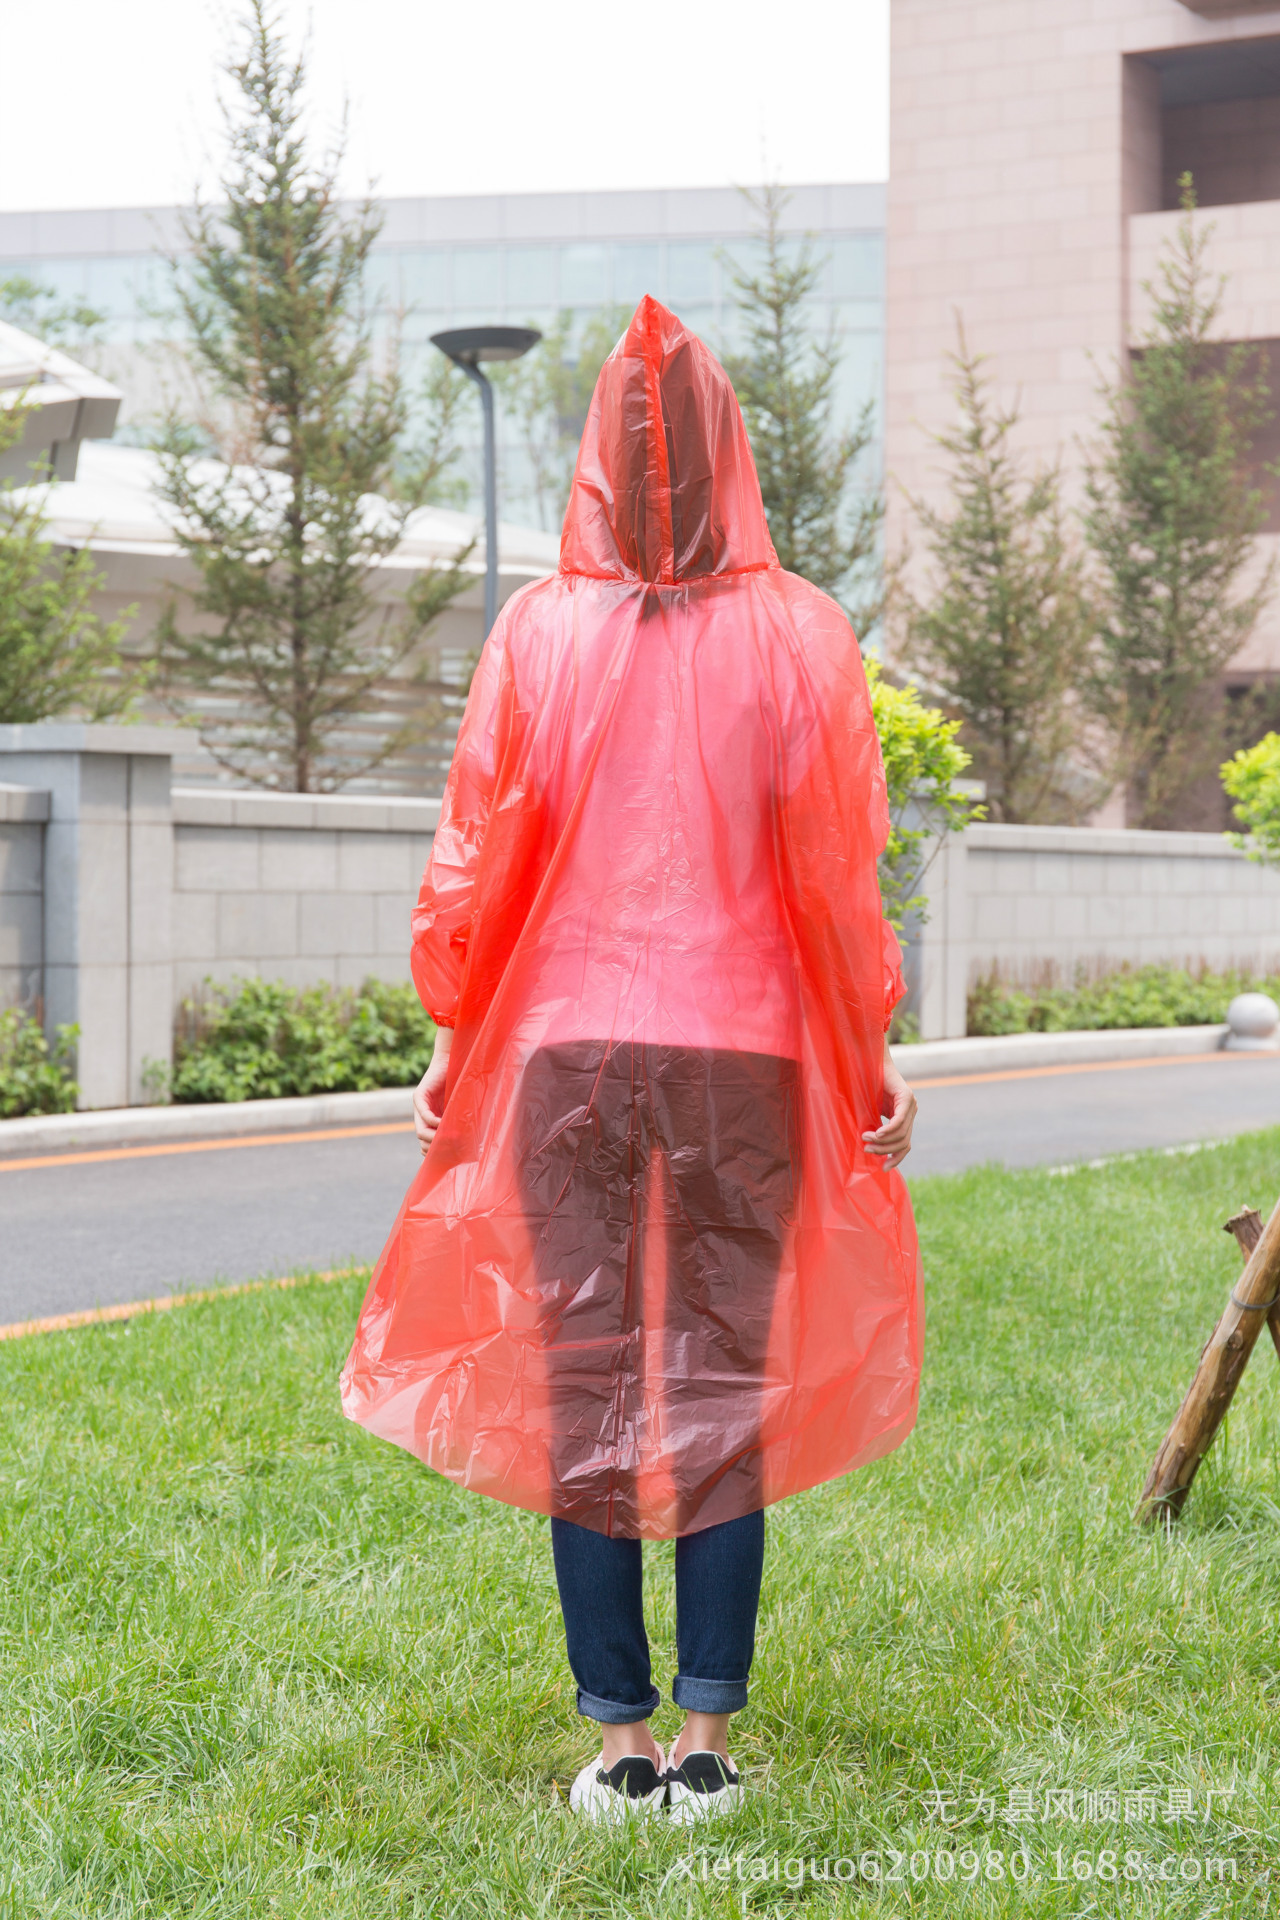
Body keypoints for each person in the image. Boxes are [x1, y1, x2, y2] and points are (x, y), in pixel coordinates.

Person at [341, 297, 922, 1824]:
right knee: (722, 1379)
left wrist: (463, 1045)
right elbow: (831, 875)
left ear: (596, 455)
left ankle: (616, 1743)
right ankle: (709, 1740)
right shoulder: (798, 632)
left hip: (564, 1053)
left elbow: (485, 865)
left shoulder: (540, 631)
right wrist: (864, 1059)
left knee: (585, 1378)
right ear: (734, 454)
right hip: (744, 1055)